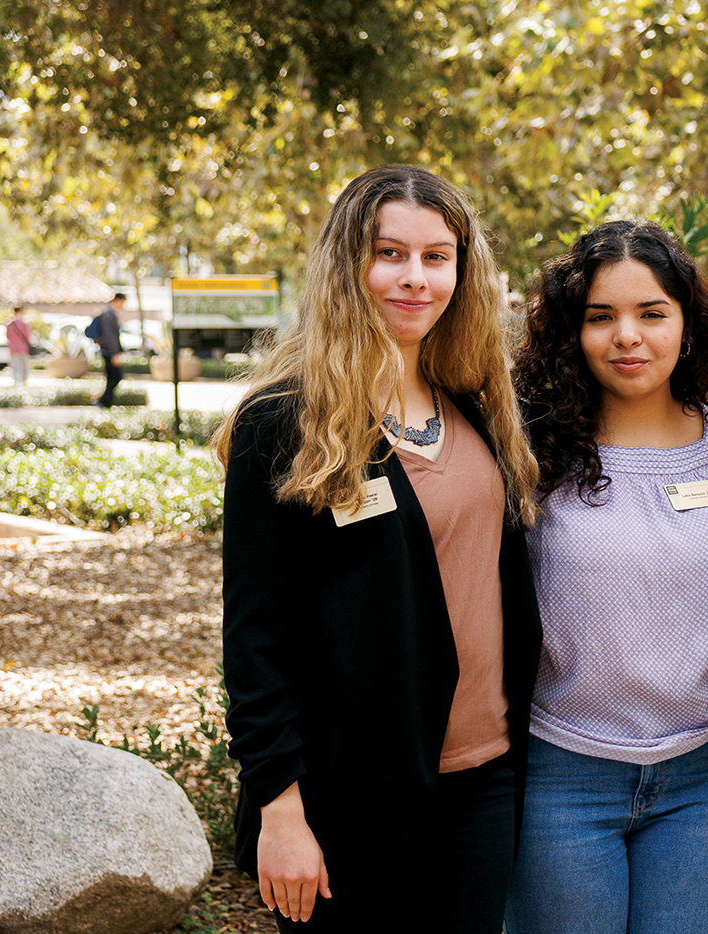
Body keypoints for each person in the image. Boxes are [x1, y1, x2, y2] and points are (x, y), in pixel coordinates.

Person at [218, 165, 542, 932]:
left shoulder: (476, 403)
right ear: (347, 264)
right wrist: (281, 813)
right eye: (389, 253)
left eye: (437, 256)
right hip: (351, 795)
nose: (415, 278)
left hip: (486, 780)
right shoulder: (284, 420)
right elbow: (255, 639)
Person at [504, 221, 708, 934]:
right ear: (569, 333)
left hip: (704, 775)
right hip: (561, 772)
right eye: (600, 317)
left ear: (687, 322)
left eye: (651, 313)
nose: (627, 337)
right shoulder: (530, 450)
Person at [90, 293, 125, 407]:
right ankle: (104, 401)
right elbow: (110, 337)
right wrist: (115, 353)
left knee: (112, 377)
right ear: (117, 300)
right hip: (109, 352)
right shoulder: (109, 316)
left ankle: (105, 401)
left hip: (108, 351)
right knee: (116, 376)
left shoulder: (110, 315)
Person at [5, 306, 31, 387]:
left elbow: (8, 336)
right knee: (24, 365)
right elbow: (28, 336)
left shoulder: (9, 324)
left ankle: (16, 380)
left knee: (15, 365)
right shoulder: (24, 323)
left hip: (13, 348)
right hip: (23, 348)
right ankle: (24, 380)